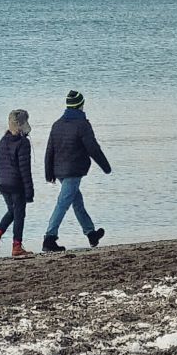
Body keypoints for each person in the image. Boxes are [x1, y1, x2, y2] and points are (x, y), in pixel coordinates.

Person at [43, 89, 112, 252]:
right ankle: (49, 238)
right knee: (63, 203)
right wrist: (106, 167)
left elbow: (49, 150)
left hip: (59, 171)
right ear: (80, 105)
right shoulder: (83, 125)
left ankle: (91, 233)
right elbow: (93, 148)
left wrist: (49, 172)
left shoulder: (57, 124)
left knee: (76, 201)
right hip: (73, 170)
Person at [0, 108, 35, 258]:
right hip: (16, 184)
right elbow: (25, 169)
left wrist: (0, 183)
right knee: (19, 214)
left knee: (12, 212)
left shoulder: (3, 140)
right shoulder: (23, 143)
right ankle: (17, 246)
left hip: (3, 184)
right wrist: (29, 192)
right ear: (23, 125)